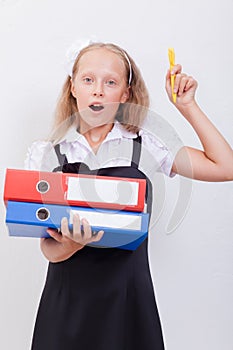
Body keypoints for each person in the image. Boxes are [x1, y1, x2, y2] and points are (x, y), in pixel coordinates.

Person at [25, 41, 233, 350]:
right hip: (66, 308)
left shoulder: (146, 145)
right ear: (73, 87)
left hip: (128, 305)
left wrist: (187, 106)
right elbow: (48, 247)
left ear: (125, 94)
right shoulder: (47, 153)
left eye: (110, 82)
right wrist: (69, 245)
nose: (98, 90)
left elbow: (224, 166)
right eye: (88, 80)